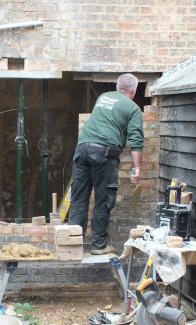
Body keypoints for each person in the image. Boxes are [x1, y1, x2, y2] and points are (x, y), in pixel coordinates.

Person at [68, 73, 144, 255]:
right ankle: (99, 246)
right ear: (133, 91)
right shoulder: (133, 109)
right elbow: (136, 141)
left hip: (81, 149)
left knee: (78, 198)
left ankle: (72, 246)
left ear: (118, 87)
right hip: (103, 154)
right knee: (103, 199)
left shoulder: (103, 97)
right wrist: (137, 168)